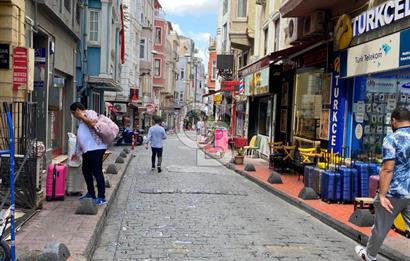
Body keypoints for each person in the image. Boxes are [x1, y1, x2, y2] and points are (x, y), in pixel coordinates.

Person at [355, 107, 410, 261]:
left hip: (393, 193)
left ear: (393, 120)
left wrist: (382, 195)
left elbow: (387, 169)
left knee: (380, 228)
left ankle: (370, 255)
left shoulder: (392, 139)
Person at [70, 102, 107, 206]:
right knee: (86, 171)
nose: (73, 116)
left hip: (96, 148)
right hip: (87, 150)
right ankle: (91, 193)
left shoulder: (90, 113)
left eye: (73, 113)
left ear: (77, 110)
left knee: (97, 172)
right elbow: (80, 137)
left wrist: (82, 116)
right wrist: (76, 153)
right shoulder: (81, 122)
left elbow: (93, 123)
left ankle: (101, 197)